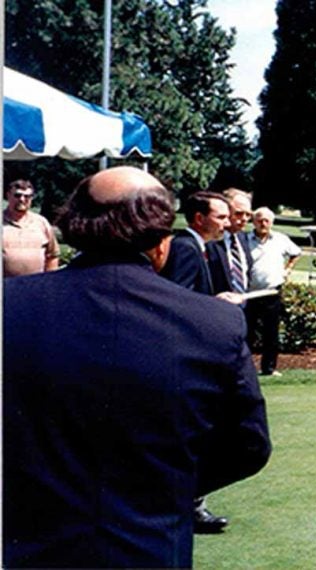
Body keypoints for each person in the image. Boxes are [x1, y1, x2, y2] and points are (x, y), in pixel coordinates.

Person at [2, 166, 271, 568]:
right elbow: (248, 446)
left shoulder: (10, 306)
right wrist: (164, 483)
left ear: (73, 229)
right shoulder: (214, 323)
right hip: (152, 545)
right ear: (163, 242)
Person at [158, 190, 241, 532]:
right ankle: (186, 507)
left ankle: (190, 503)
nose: (227, 222)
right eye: (220, 217)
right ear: (198, 219)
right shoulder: (186, 248)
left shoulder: (203, 247)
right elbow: (174, 300)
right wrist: (214, 304)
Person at [248, 207, 303, 376]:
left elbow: (296, 253)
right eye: (259, 220)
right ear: (254, 222)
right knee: (246, 333)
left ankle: (269, 368)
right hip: (248, 293)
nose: (263, 223)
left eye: (266, 220)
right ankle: (244, 368)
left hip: (271, 292)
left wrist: (288, 269)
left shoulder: (281, 239)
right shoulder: (244, 239)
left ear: (272, 222)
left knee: (270, 333)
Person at [3, 179, 60, 276]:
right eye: (17, 195)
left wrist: (49, 282)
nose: (22, 199)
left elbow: (52, 255)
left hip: (36, 287)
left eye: (27, 196)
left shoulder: (41, 223)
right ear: (8, 195)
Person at [209, 189, 255, 298]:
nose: (244, 219)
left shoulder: (242, 237)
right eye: (238, 213)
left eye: (248, 215)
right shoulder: (210, 240)